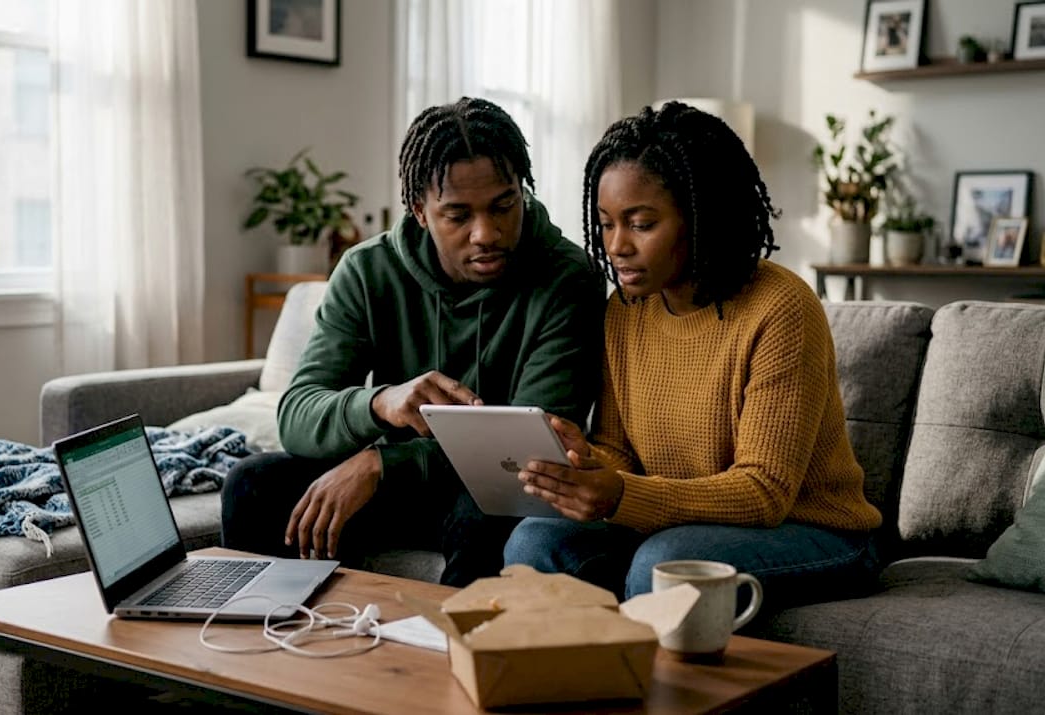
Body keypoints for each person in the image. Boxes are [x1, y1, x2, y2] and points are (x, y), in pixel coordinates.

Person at [502, 101, 883, 608]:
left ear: (702, 216)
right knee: (534, 540)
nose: (616, 245)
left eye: (640, 223)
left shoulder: (781, 308)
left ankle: (644, 688)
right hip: (683, 523)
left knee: (667, 564)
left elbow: (764, 492)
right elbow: (620, 452)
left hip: (816, 531)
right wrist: (583, 461)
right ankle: (553, 684)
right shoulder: (626, 310)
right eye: (607, 223)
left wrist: (622, 497)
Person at [221, 97, 605, 587]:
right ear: (419, 210)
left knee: (489, 512)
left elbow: (529, 452)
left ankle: (450, 659)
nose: (486, 233)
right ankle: (272, 656)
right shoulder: (367, 271)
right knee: (252, 486)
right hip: (412, 484)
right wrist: (380, 403)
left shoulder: (567, 279)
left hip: (492, 488)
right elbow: (296, 414)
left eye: (504, 205)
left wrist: (381, 464)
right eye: (458, 215)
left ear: (522, 191)